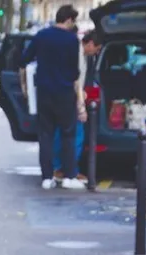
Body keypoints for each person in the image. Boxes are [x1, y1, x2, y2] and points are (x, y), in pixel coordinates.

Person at [22, 4, 85, 190]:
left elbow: (24, 59)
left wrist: (26, 85)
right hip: (64, 93)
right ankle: (69, 176)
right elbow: (75, 71)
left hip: (44, 92)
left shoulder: (41, 36)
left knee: (46, 135)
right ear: (69, 19)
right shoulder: (72, 40)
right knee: (68, 135)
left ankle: (47, 177)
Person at [54, 29, 104, 182]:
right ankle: (69, 170)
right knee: (76, 134)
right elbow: (76, 82)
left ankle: (60, 168)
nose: (96, 52)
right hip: (70, 98)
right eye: (97, 49)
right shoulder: (77, 56)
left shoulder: (80, 55)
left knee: (62, 134)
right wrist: (81, 106)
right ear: (90, 44)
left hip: (65, 97)